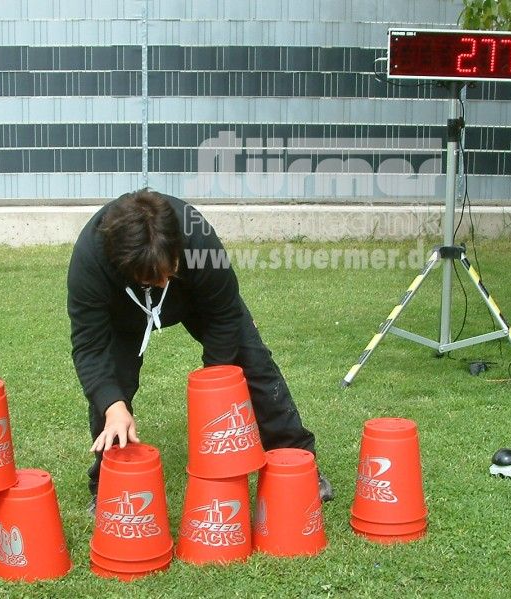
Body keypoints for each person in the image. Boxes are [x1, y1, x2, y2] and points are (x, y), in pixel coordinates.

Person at [67, 189, 333, 514]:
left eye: (170, 269)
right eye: (154, 276)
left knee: (253, 363)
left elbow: (224, 315)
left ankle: (296, 463)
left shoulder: (199, 237)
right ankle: (109, 484)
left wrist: (215, 383)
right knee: (111, 394)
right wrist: (113, 405)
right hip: (122, 309)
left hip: (196, 299)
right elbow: (90, 347)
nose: (164, 282)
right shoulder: (90, 260)